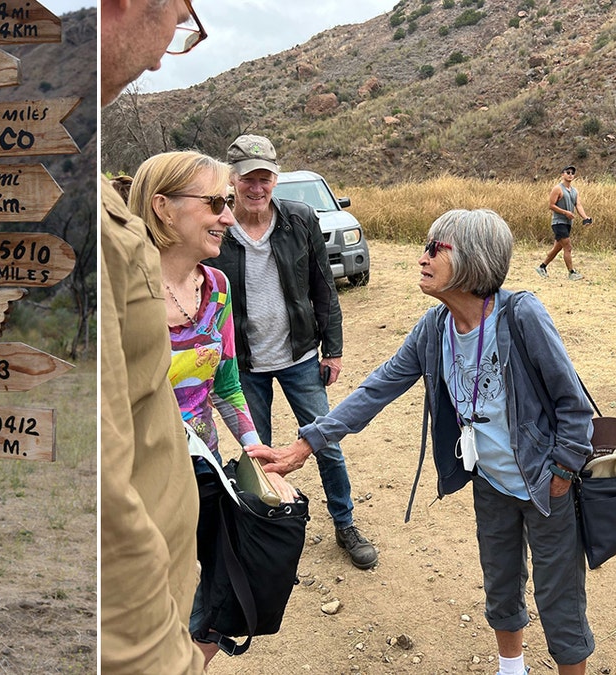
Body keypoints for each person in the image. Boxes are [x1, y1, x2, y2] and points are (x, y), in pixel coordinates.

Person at [250, 209, 595, 675]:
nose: (423, 258)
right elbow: (377, 389)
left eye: (437, 248)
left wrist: (561, 473)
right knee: (500, 587)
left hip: (544, 485)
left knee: (560, 602)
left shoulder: (521, 315)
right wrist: (305, 444)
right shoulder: (434, 329)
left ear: (474, 259)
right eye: (425, 247)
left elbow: (572, 403)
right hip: (491, 483)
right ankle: (511, 669)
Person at [127, 151, 298, 666]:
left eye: (229, 202)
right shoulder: (126, 296)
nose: (229, 216)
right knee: (151, 610)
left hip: (203, 474)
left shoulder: (217, 288)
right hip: (141, 486)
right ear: (162, 207)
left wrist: (252, 445)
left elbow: (224, 383)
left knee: (212, 600)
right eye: (216, 203)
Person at [206, 133, 378, 570]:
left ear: (275, 179)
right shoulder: (217, 229)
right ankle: (263, 531)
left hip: (301, 356)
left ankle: (345, 523)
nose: (257, 188)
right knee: (256, 453)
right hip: (245, 365)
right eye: (248, 179)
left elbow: (324, 288)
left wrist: (332, 349)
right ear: (233, 180)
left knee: (327, 444)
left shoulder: (299, 220)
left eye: (264, 178)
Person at [99, 0, 209, 672]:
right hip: (140, 634)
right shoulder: (101, 221)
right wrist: (161, 656)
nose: (167, 52)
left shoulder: (214, 287)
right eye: (181, 16)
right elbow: (107, 493)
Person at [535, 165, 590, 281]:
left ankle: (542, 267)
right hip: (558, 222)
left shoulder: (575, 191)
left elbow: (578, 205)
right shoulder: (558, 189)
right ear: (562, 174)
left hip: (568, 223)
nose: (570, 174)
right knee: (568, 247)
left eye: (572, 173)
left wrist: (585, 217)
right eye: (568, 172)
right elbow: (551, 205)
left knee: (557, 248)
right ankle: (571, 272)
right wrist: (565, 212)